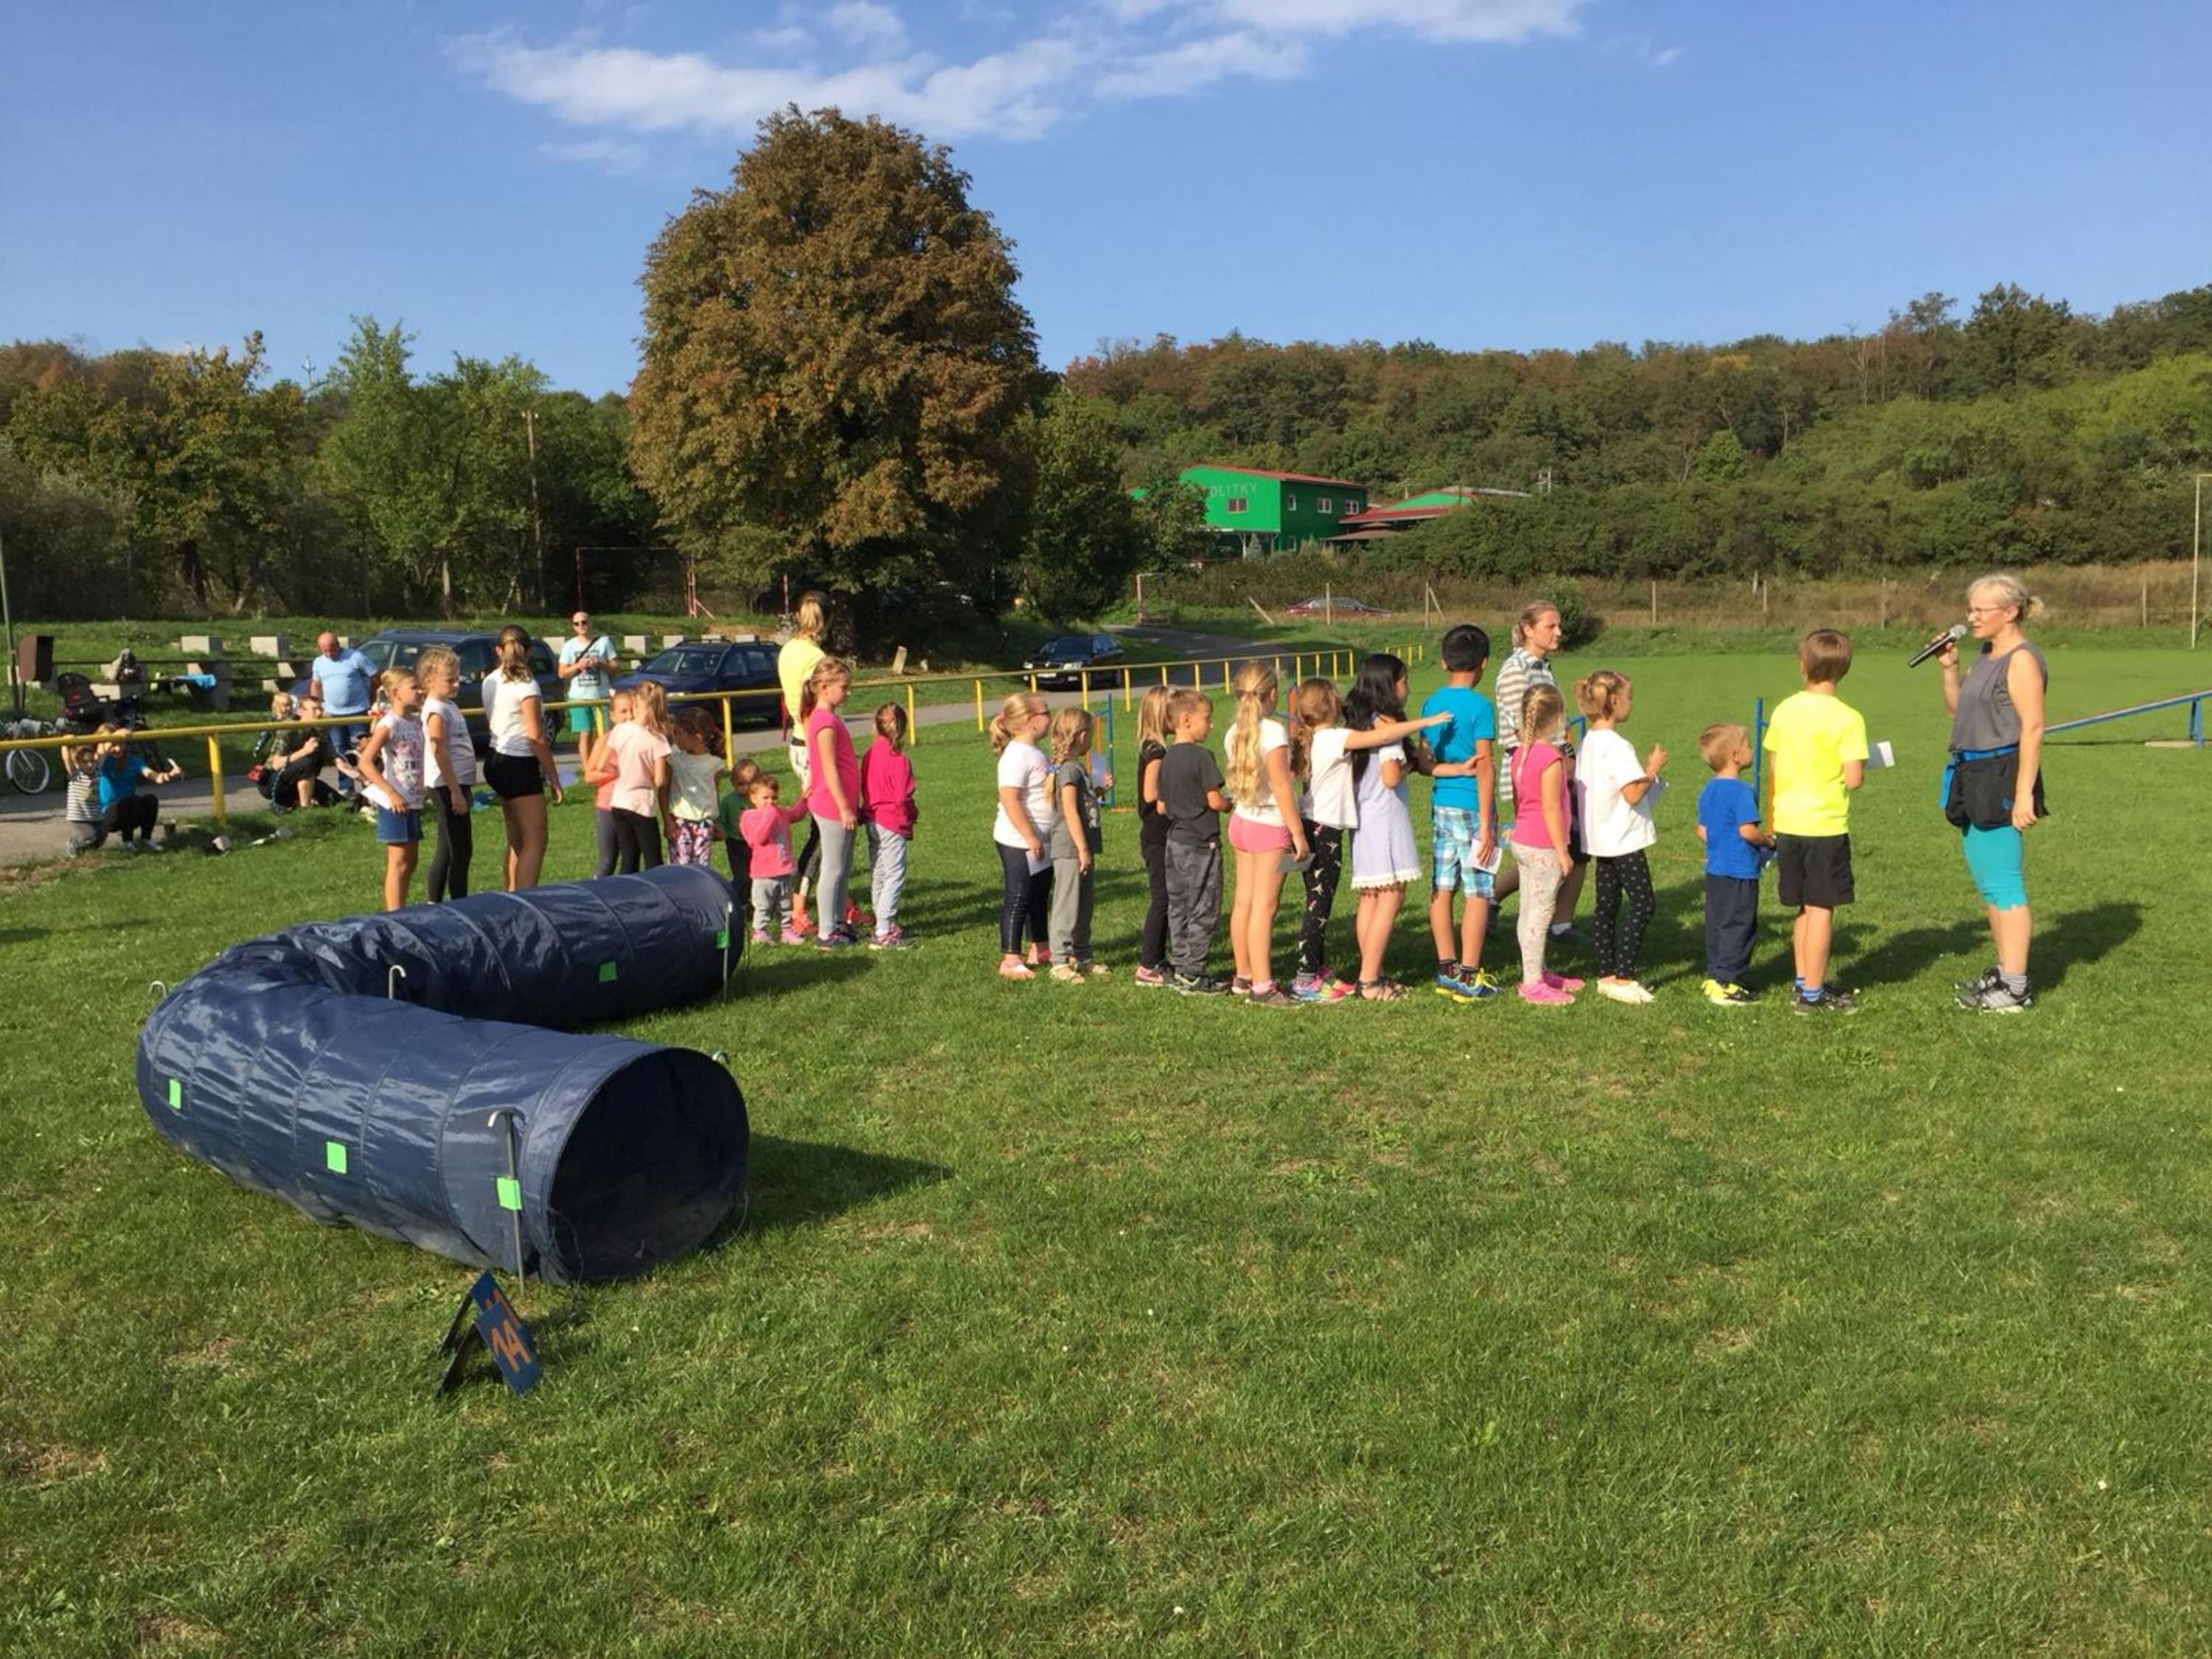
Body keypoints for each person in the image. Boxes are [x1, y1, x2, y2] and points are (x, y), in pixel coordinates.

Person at [1289, 678, 1450, 1004]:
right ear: (1331, 706)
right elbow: (1384, 737)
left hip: (1313, 827)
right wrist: (1425, 723)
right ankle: (1306, 977)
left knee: (1319, 902)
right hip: (1325, 833)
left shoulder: (1315, 738)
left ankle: (1317, 969)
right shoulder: (1334, 737)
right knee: (1318, 906)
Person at [1938, 573, 2049, 1013]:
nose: (1972, 617)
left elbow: (2033, 728)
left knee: (2005, 883)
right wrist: (1949, 669)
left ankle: (2015, 988)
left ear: (2011, 612)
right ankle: (2004, 975)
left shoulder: (2021, 660)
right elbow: (1958, 710)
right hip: (1971, 773)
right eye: (1970, 609)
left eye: (1981, 610)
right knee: (1988, 884)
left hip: (2001, 775)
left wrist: (2023, 795)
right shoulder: (1986, 655)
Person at [1764, 628, 1868, 1015]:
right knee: (1822, 908)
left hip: (1789, 822)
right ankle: (1813, 993)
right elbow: (1854, 779)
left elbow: (1774, 764)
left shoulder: (1784, 710)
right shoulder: (1849, 718)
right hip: (1825, 825)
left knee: (1804, 908)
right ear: (1844, 670)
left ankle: (1802, 980)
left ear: (1803, 666)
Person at [1491, 601, 1584, 939]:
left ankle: (1561, 924)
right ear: (1528, 630)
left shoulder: (1542, 666)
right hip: (1536, 771)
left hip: (1558, 765)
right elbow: (1524, 731)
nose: (1559, 632)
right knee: (1543, 850)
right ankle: (1495, 902)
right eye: (1550, 626)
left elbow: (1556, 725)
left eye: (1559, 625)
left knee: (1574, 847)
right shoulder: (1515, 671)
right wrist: (1558, 761)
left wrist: (1569, 756)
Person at [1575, 670, 1668, 1005]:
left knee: (1606, 906)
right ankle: (1624, 975)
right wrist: (1653, 769)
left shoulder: (1588, 741)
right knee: (1643, 903)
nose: (1632, 703)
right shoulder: (1617, 745)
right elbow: (1632, 794)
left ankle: (1606, 974)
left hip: (1601, 837)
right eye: (1629, 697)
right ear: (1614, 702)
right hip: (1623, 838)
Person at [1219, 663, 1308, 1006]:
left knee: (1243, 902)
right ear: (1272, 694)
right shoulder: (1273, 732)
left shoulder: (1233, 732)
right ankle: (1262, 986)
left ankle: (1243, 975)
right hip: (1269, 826)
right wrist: (1298, 833)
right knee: (1264, 907)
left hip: (1241, 822)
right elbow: (1282, 787)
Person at [1420, 624, 1501, 1003]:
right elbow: (1485, 765)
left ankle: (1446, 968)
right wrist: (1487, 824)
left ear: (1443, 662)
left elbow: (1425, 762)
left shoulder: (1431, 703)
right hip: (1472, 806)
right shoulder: (1482, 707)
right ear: (1483, 663)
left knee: (1442, 887)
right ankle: (1469, 975)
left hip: (1442, 804)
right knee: (1478, 890)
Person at [1344, 654, 1423, 1002]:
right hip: (1386, 816)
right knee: (1391, 894)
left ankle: (1371, 971)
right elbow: (1391, 777)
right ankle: (1370, 980)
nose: (1408, 688)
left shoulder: (1361, 720)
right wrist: (1410, 765)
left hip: (1364, 816)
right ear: (1388, 686)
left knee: (1370, 895)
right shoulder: (1388, 725)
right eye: (1404, 681)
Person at [1509, 685, 1584, 1006]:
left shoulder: (1520, 754)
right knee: (1540, 915)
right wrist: (1562, 851)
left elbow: (1519, 799)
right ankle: (1532, 983)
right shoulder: (1551, 758)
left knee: (1528, 910)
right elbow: (1551, 807)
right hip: (1543, 846)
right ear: (1556, 718)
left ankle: (1538, 969)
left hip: (1524, 840)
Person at [483, 622, 565, 891]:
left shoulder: (491, 680)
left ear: (499, 651)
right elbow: (536, 737)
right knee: (536, 839)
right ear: (528, 652)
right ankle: (526, 898)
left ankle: (512, 894)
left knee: (517, 838)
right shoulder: (527, 685)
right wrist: (554, 777)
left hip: (496, 757)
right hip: (519, 762)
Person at [1696, 722, 1772, 1007]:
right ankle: (1728, 983)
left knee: (1717, 923)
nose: (1753, 750)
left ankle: (1716, 975)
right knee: (1739, 925)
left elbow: (1702, 830)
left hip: (1716, 870)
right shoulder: (1742, 791)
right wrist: (1768, 842)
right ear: (1736, 756)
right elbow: (1747, 831)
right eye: (1749, 745)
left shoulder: (1708, 790)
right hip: (1740, 871)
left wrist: (1720, 845)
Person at [1159, 688, 1228, 995]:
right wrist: (1229, 803)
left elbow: (1161, 806)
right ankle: (1194, 971)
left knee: (1179, 905)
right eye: (1207, 719)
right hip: (1202, 842)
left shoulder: (1166, 758)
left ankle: (1180, 964)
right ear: (1187, 720)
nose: (1210, 725)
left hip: (1175, 841)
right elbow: (1214, 801)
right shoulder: (1202, 757)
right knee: (1204, 905)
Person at [990, 692, 1055, 980]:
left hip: (1039, 840)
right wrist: (1030, 836)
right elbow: (1009, 799)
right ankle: (1010, 959)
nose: (1050, 718)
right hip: (1018, 841)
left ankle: (1040, 948)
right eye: (1046, 713)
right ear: (1030, 720)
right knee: (1018, 896)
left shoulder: (1034, 752)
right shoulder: (1016, 755)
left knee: (1039, 895)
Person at [801, 657, 863, 951]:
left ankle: (838, 922)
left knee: (844, 867)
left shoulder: (830, 718)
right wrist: (844, 807)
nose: (848, 692)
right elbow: (828, 768)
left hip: (841, 803)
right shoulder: (824, 721)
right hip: (832, 806)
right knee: (833, 868)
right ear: (824, 687)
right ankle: (826, 932)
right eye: (844, 687)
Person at [777, 591, 830, 934]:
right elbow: (813, 706)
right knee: (824, 831)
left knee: (826, 829)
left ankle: (839, 899)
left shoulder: (787, 650)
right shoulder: (815, 657)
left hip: (798, 743)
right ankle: (799, 908)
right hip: (813, 744)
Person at [355, 667, 428, 911]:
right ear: (395, 693)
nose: (420, 691)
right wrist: (391, 792)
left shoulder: (416, 722)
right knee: (398, 861)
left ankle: (401, 908)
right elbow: (366, 762)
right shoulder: (390, 724)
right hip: (396, 802)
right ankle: (394, 913)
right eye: (414, 687)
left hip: (413, 799)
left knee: (412, 861)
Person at [1046, 708, 1109, 982]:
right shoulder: (1069, 770)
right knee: (1068, 904)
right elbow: (1070, 811)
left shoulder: (1076, 768)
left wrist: (1098, 791)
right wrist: (1082, 849)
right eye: (1090, 734)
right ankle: (1059, 960)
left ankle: (1082, 954)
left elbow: (1082, 803)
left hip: (1082, 848)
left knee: (1084, 904)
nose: (1091, 740)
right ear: (1081, 736)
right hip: (1071, 849)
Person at [416, 647, 477, 902]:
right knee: (460, 848)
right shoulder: (436, 710)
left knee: (448, 847)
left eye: (457, 678)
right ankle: (458, 903)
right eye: (449, 680)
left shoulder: (448, 705)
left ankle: (436, 901)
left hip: (457, 782)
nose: (456, 684)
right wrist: (455, 791)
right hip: (446, 785)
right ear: (429, 680)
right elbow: (438, 748)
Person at [591, 681, 671, 873]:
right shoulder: (658, 738)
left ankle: (626, 890)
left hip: (619, 801)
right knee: (653, 859)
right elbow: (659, 780)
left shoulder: (620, 730)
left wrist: (619, 772)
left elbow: (601, 765)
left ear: (635, 702)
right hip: (641, 804)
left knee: (629, 858)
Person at [860, 703, 917, 950]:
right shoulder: (899, 760)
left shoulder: (869, 754)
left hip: (872, 818)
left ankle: (882, 922)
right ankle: (884, 929)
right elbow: (902, 797)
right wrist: (911, 814)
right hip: (891, 820)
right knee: (895, 874)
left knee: (880, 871)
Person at [1133, 686, 1175, 988]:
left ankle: (1159, 958)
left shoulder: (1150, 746)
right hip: (1157, 834)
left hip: (1155, 834)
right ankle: (1148, 964)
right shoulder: (1156, 751)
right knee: (1163, 898)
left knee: (1166, 897)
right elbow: (1151, 794)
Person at [739, 775, 811, 944]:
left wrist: (805, 800)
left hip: (784, 870)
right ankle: (760, 931)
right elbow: (759, 838)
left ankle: (786, 930)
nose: (770, 802)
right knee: (763, 906)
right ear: (753, 798)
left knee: (785, 905)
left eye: (774, 798)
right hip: (763, 874)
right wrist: (769, 815)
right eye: (765, 798)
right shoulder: (750, 817)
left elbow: (796, 814)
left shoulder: (780, 813)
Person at [94, 727, 183, 852]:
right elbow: (100, 755)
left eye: (121, 744)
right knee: (130, 800)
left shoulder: (133, 761)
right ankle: (127, 841)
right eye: (113, 744)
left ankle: (146, 839)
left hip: (130, 812)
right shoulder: (100, 763)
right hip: (108, 815)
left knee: (150, 799)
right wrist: (111, 738)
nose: (118, 749)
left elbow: (155, 777)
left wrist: (170, 775)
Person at [308, 631, 376, 796]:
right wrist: (316, 706)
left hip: (358, 711)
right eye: (324, 650)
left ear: (338, 645)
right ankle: (346, 787)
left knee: (362, 749)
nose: (329, 654)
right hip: (333, 713)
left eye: (331, 649)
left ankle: (369, 786)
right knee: (340, 749)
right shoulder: (318, 662)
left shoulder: (356, 657)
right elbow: (316, 684)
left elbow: (375, 677)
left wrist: (373, 699)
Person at [665, 707, 728, 868]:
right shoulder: (675, 760)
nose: (676, 738)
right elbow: (663, 791)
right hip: (680, 822)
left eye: (680, 734)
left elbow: (713, 793)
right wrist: (668, 820)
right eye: (675, 733)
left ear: (698, 738)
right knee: (680, 866)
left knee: (702, 866)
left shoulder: (715, 764)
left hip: (704, 824)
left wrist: (717, 823)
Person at [557, 611, 618, 777]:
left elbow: (615, 668)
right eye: (577, 623)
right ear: (573, 627)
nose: (581, 626)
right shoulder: (569, 646)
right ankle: (587, 769)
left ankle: (603, 765)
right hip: (579, 697)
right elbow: (562, 673)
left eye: (584, 622)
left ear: (590, 623)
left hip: (601, 696)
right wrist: (578, 666)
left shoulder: (604, 642)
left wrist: (599, 664)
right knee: (585, 734)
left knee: (604, 735)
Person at [587, 690, 636, 878]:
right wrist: (614, 772)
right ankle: (597, 891)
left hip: (632, 805)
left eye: (632, 711)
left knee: (631, 858)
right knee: (608, 860)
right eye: (623, 712)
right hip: (609, 805)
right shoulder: (605, 741)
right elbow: (590, 775)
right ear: (613, 716)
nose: (629, 716)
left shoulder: (640, 737)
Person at [720, 758, 763, 916]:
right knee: (741, 876)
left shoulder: (759, 799)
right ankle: (739, 902)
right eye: (740, 784)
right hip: (735, 843)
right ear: (733, 783)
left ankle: (757, 902)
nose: (745, 788)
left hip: (756, 843)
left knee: (756, 875)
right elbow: (721, 821)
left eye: (749, 783)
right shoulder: (728, 801)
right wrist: (720, 832)